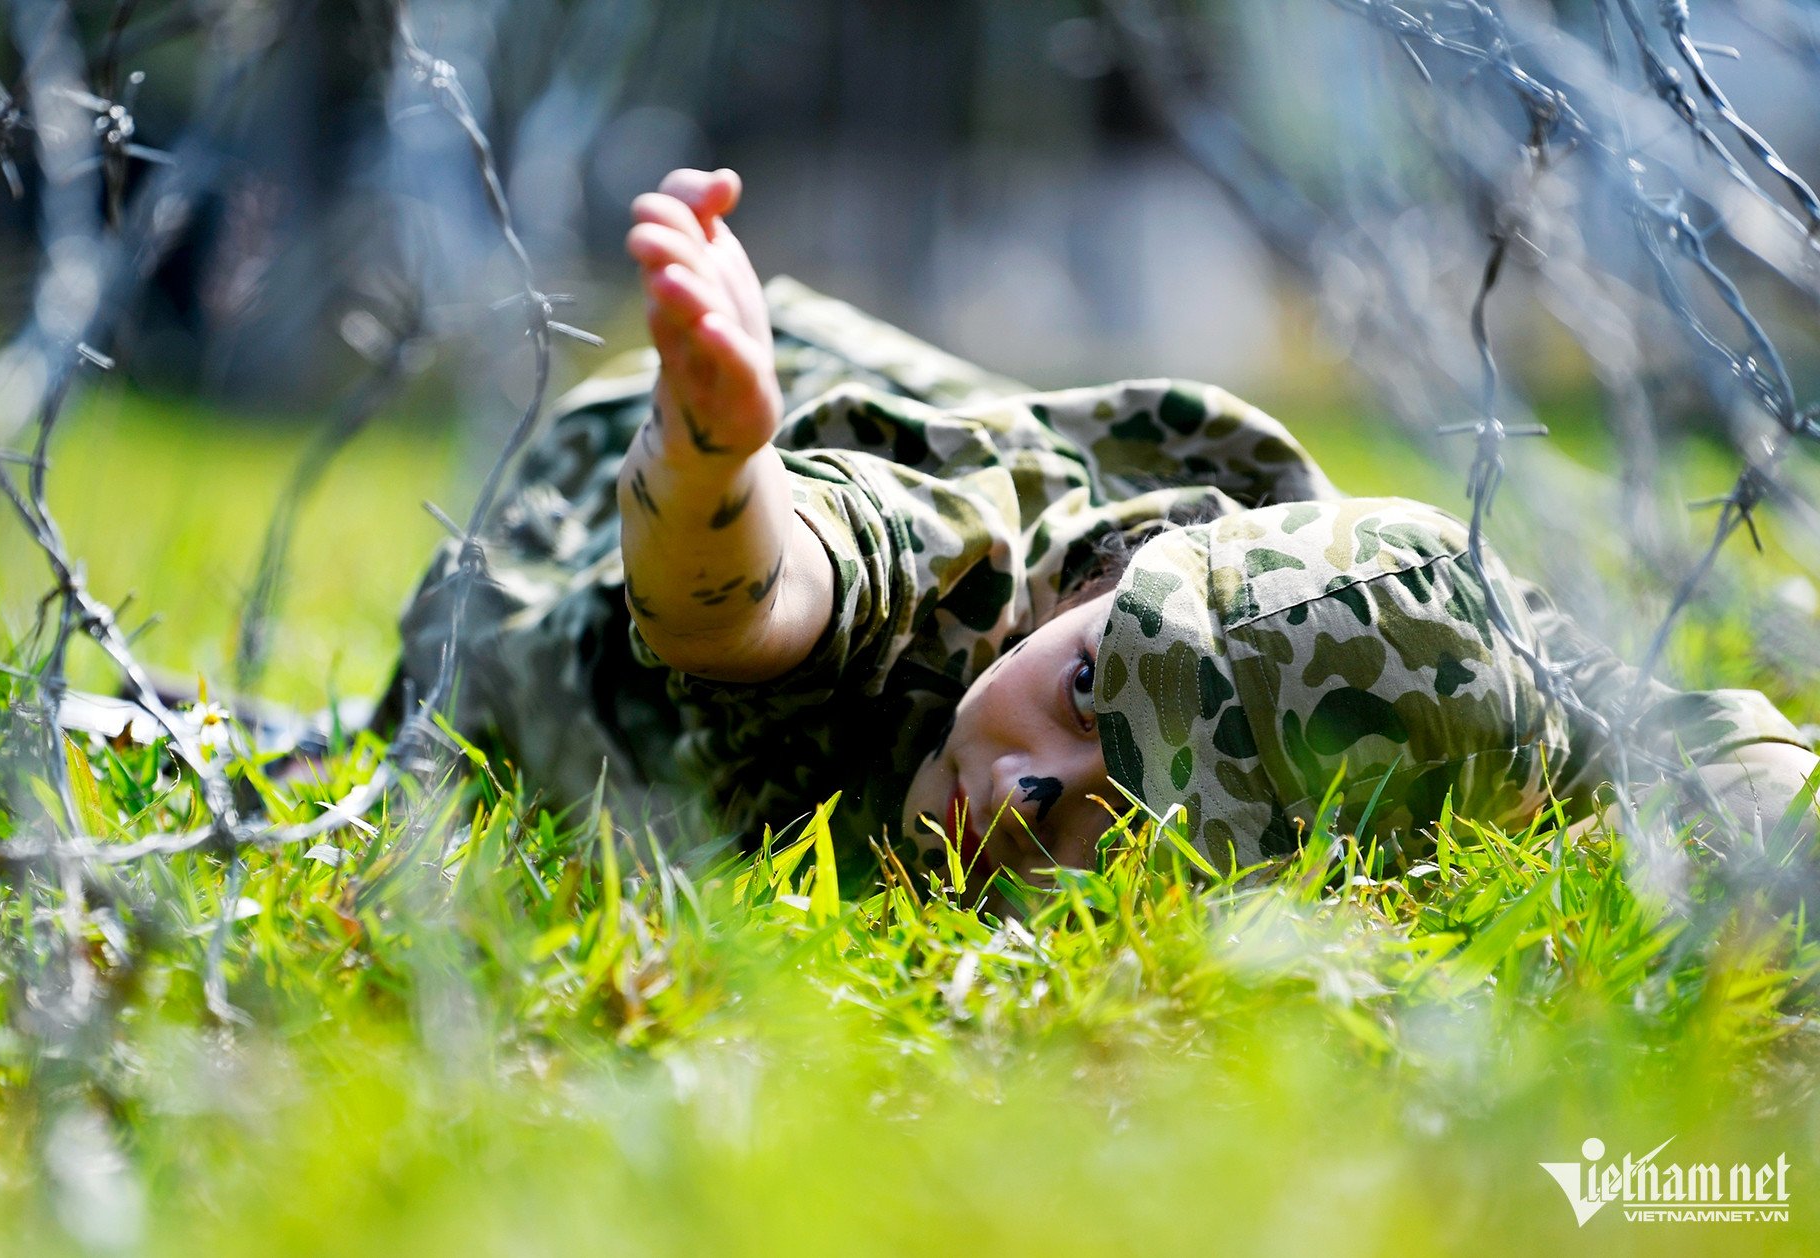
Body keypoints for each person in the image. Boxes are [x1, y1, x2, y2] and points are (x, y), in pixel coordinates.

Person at [384, 167, 1817, 885]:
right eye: (1083, 691)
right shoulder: (963, 569)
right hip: (642, 479)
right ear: (1094, 588)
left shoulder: (1409, 686)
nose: (1024, 789)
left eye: (1114, 818)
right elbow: (756, 593)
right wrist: (711, 464)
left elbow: (1630, 729)